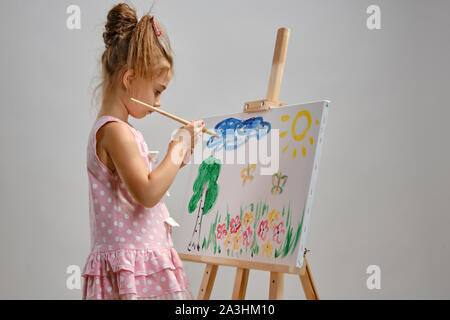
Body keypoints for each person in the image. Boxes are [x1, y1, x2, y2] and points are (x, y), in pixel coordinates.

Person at [81, 2, 204, 300]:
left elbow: (144, 186)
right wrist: (177, 149)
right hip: (131, 271)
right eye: (158, 91)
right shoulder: (115, 132)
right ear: (129, 79)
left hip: (140, 265)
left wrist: (179, 158)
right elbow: (147, 193)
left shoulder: (120, 131)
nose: (159, 103)